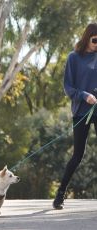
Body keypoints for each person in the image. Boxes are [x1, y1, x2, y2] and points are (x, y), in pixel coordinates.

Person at [53, 23, 97, 209]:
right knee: (78, 155)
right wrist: (84, 95)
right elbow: (68, 87)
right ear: (87, 38)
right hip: (81, 110)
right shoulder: (74, 58)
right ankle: (60, 194)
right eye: (95, 40)